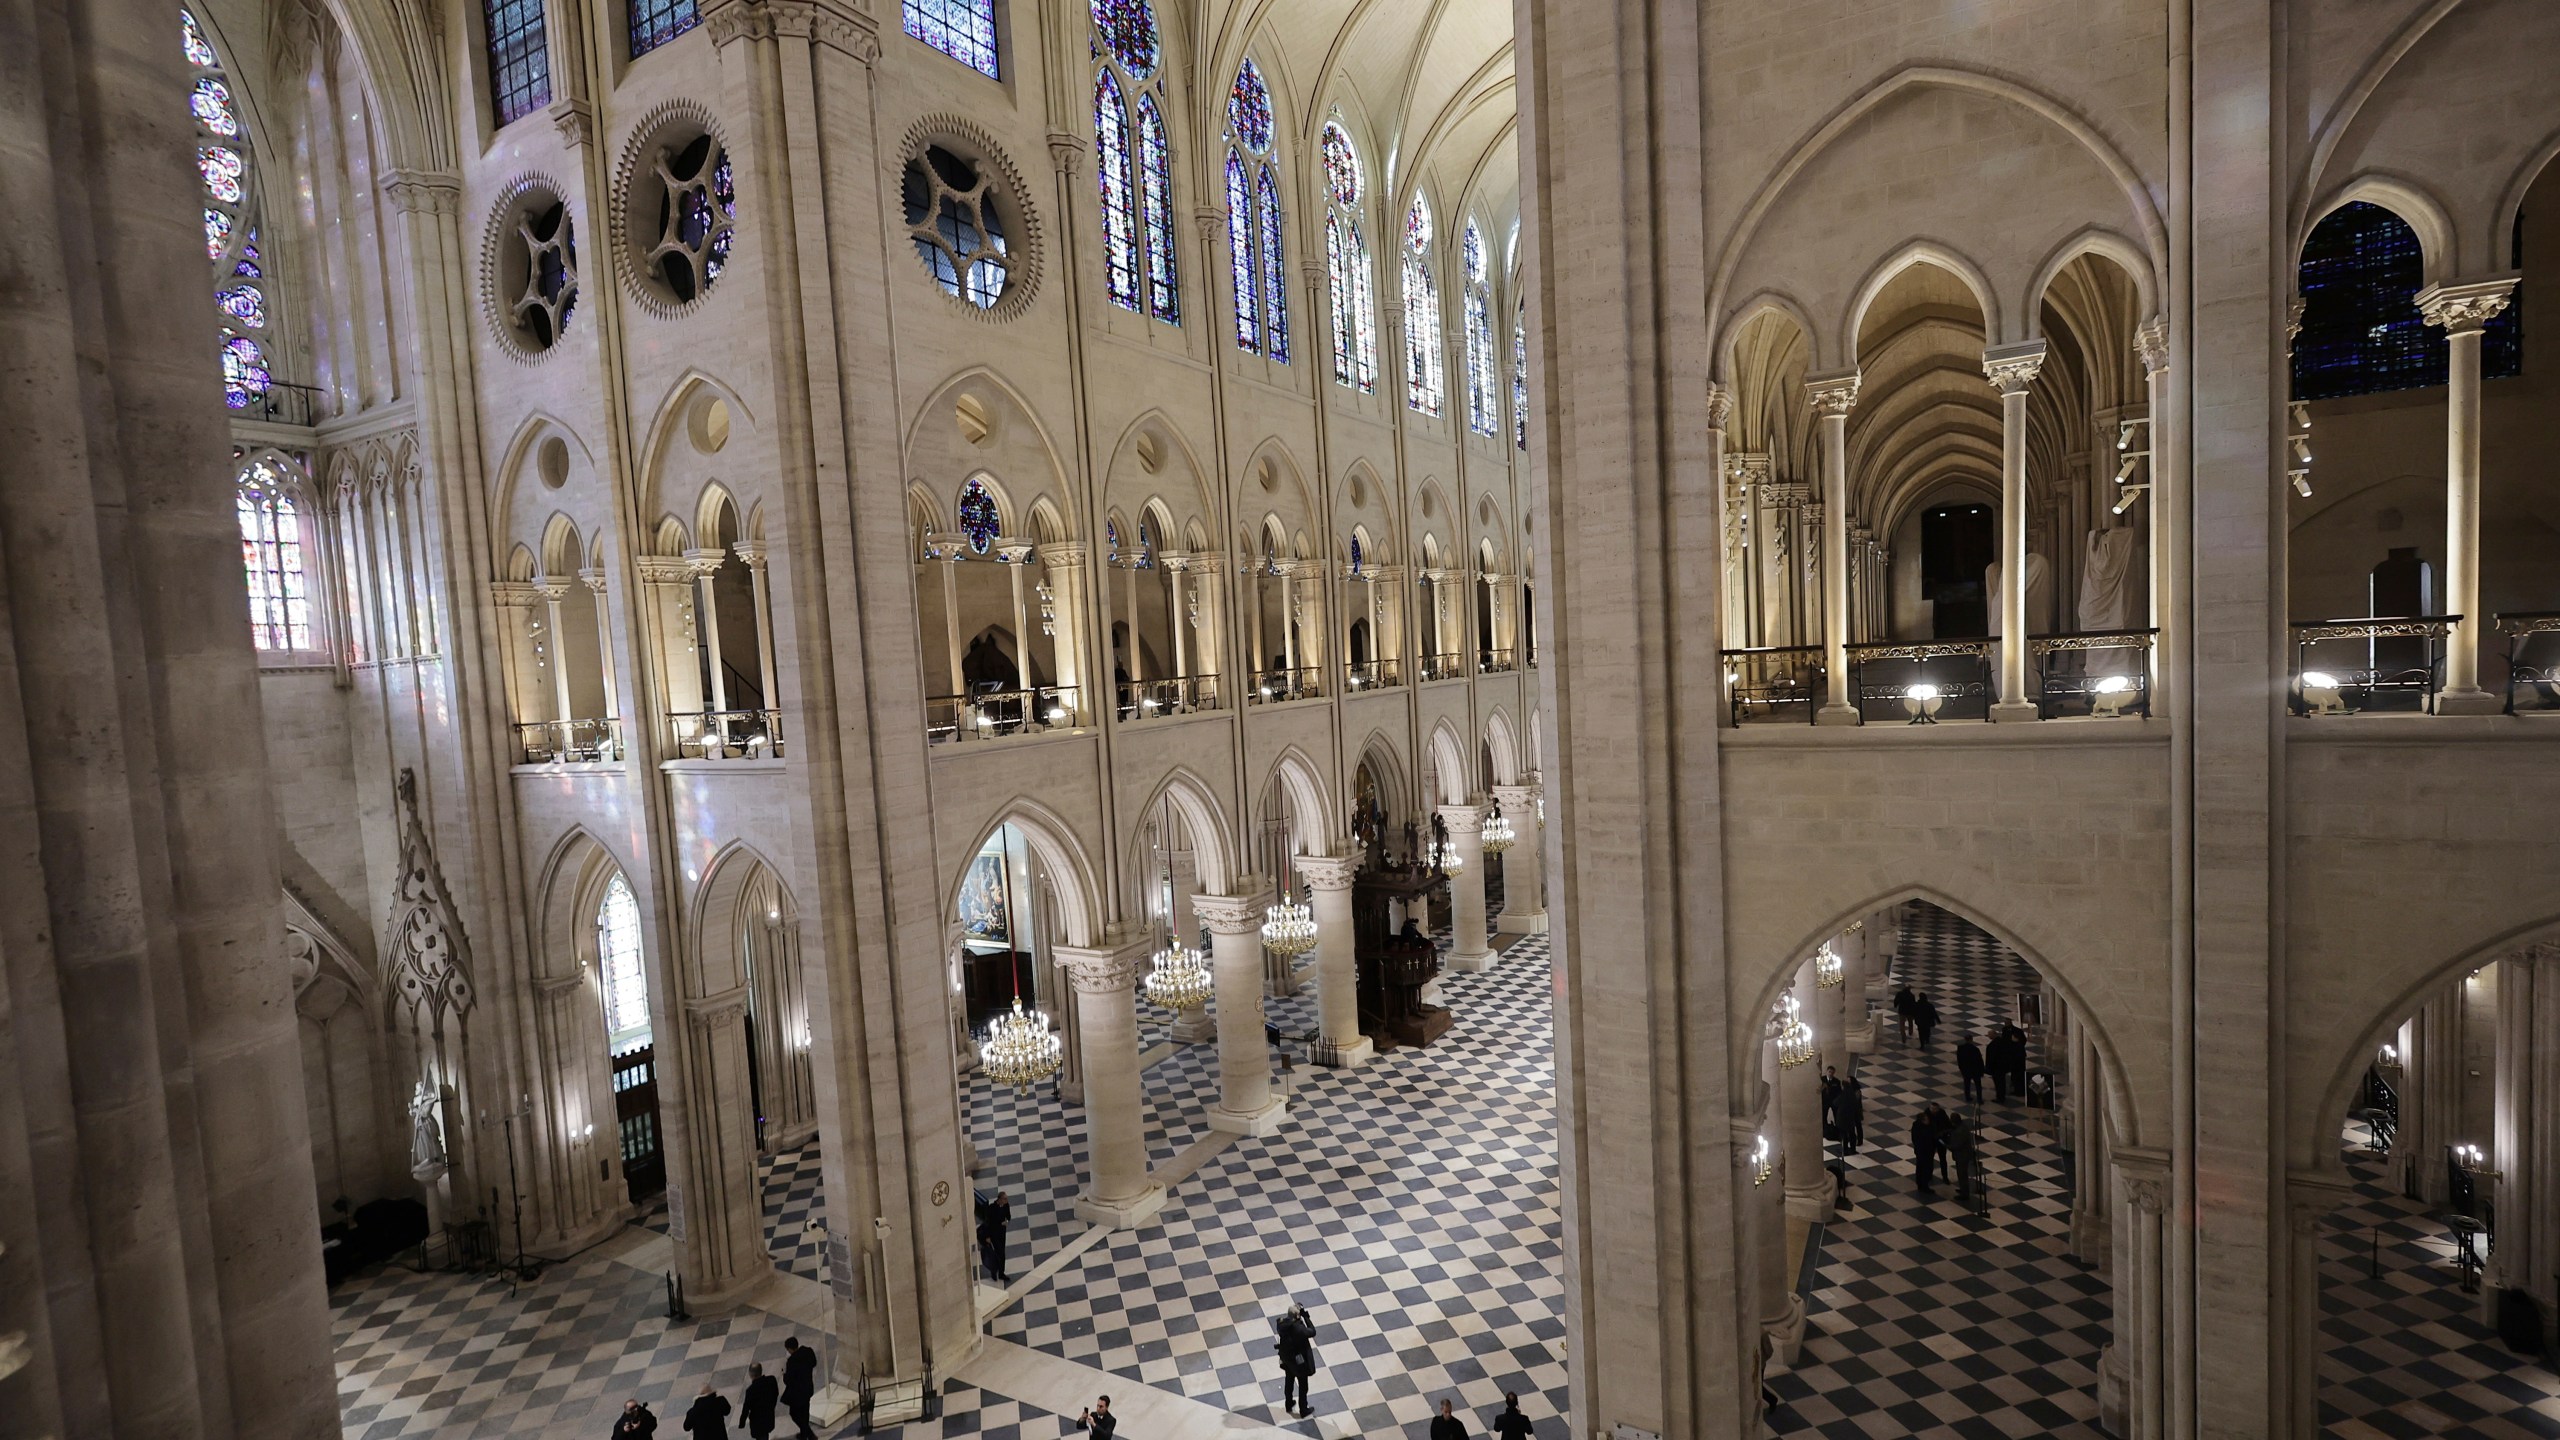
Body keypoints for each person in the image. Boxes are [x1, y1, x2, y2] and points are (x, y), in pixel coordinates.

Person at [1272, 1301, 1319, 1416]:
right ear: (1297, 1315)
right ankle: (1303, 1409)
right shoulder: (1298, 1328)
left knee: (1289, 1381)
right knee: (1303, 1385)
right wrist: (1306, 1317)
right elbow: (1312, 1331)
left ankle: (1288, 1403)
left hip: (1287, 1359)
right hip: (1299, 1361)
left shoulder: (1282, 1324)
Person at [780, 1336, 817, 1440]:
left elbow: (788, 1381)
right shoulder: (808, 1351)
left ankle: (809, 1434)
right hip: (808, 1387)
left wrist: (784, 1374)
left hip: (798, 1393)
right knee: (805, 1413)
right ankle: (804, 1434)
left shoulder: (791, 1361)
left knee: (794, 1414)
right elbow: (814, 1363)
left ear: (790, 1349)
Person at [976, 1188, 1011, 1285]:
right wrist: (987, 1236)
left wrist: (1006, 1222)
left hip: (1002, 1233)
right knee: (996, 1254)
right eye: (1005, 1199)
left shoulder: (1006, 1206)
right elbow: (987, 1223)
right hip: (993, 1234)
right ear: (999, 1199)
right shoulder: (992, 1208)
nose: (1006, 1201)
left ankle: (1001, 1272)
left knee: (1002, 1254)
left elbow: (1008, 1216)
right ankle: (993, 1271)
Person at [739, 1363, 778, 1440]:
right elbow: (775, 1393)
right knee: (765, 1434)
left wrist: (742, 1422)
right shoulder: (771, 1380)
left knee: (761, 1436)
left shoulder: (750, 1390)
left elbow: (746, 1408)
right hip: (768, 1415)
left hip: (757, 1421)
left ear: (750, 1374)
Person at [1910, 1107, 1940, 1193]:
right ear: (1922, 1121)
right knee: (1925, 1168)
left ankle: (1920, 1183)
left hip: (1921, 1151)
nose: (1928, 1120)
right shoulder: (1923, 1129)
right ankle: (1924, 1186)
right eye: (1926, 1119)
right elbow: (1927, 1139)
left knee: (1920, 1167)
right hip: (1925, 1152)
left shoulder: (1916, 1126)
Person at [1834, 1071, 1866, 1154]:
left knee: (1844, 1135)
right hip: (1851, 1118)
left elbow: (1835, 1103)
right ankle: (1852, 1149)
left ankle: (1845, 1149)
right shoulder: (1852, 1096)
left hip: (1843, 1118)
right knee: (1852, 1134)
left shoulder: (1843, 1095)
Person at [1986, 1028, 2017, 1102]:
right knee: (2002, 1082)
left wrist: (1989, 1068)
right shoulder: (2002, 1041)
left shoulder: (1992, 1045)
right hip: (2003, 1067)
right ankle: (2001, 1096)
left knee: (1998, 1083)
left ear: (1993, 1035)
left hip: (1996, 1068)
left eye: (1989, 1035)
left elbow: (1991, 1058)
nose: (1988, 1036)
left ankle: (2000, 1097)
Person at [1956, 1034, 1986, 1104]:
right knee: (1978, 1085)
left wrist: (1961, 1068)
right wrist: (1982, 1071)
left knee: (1967, 1084)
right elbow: (1979, 1061)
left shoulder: (1960, 1048)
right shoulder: (1975, 1049)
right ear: (1971, 1039)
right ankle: (1979, 1099)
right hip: (1975, 1070)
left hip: (1966, 1070)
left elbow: (1959, 1060)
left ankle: (1967, 1097)